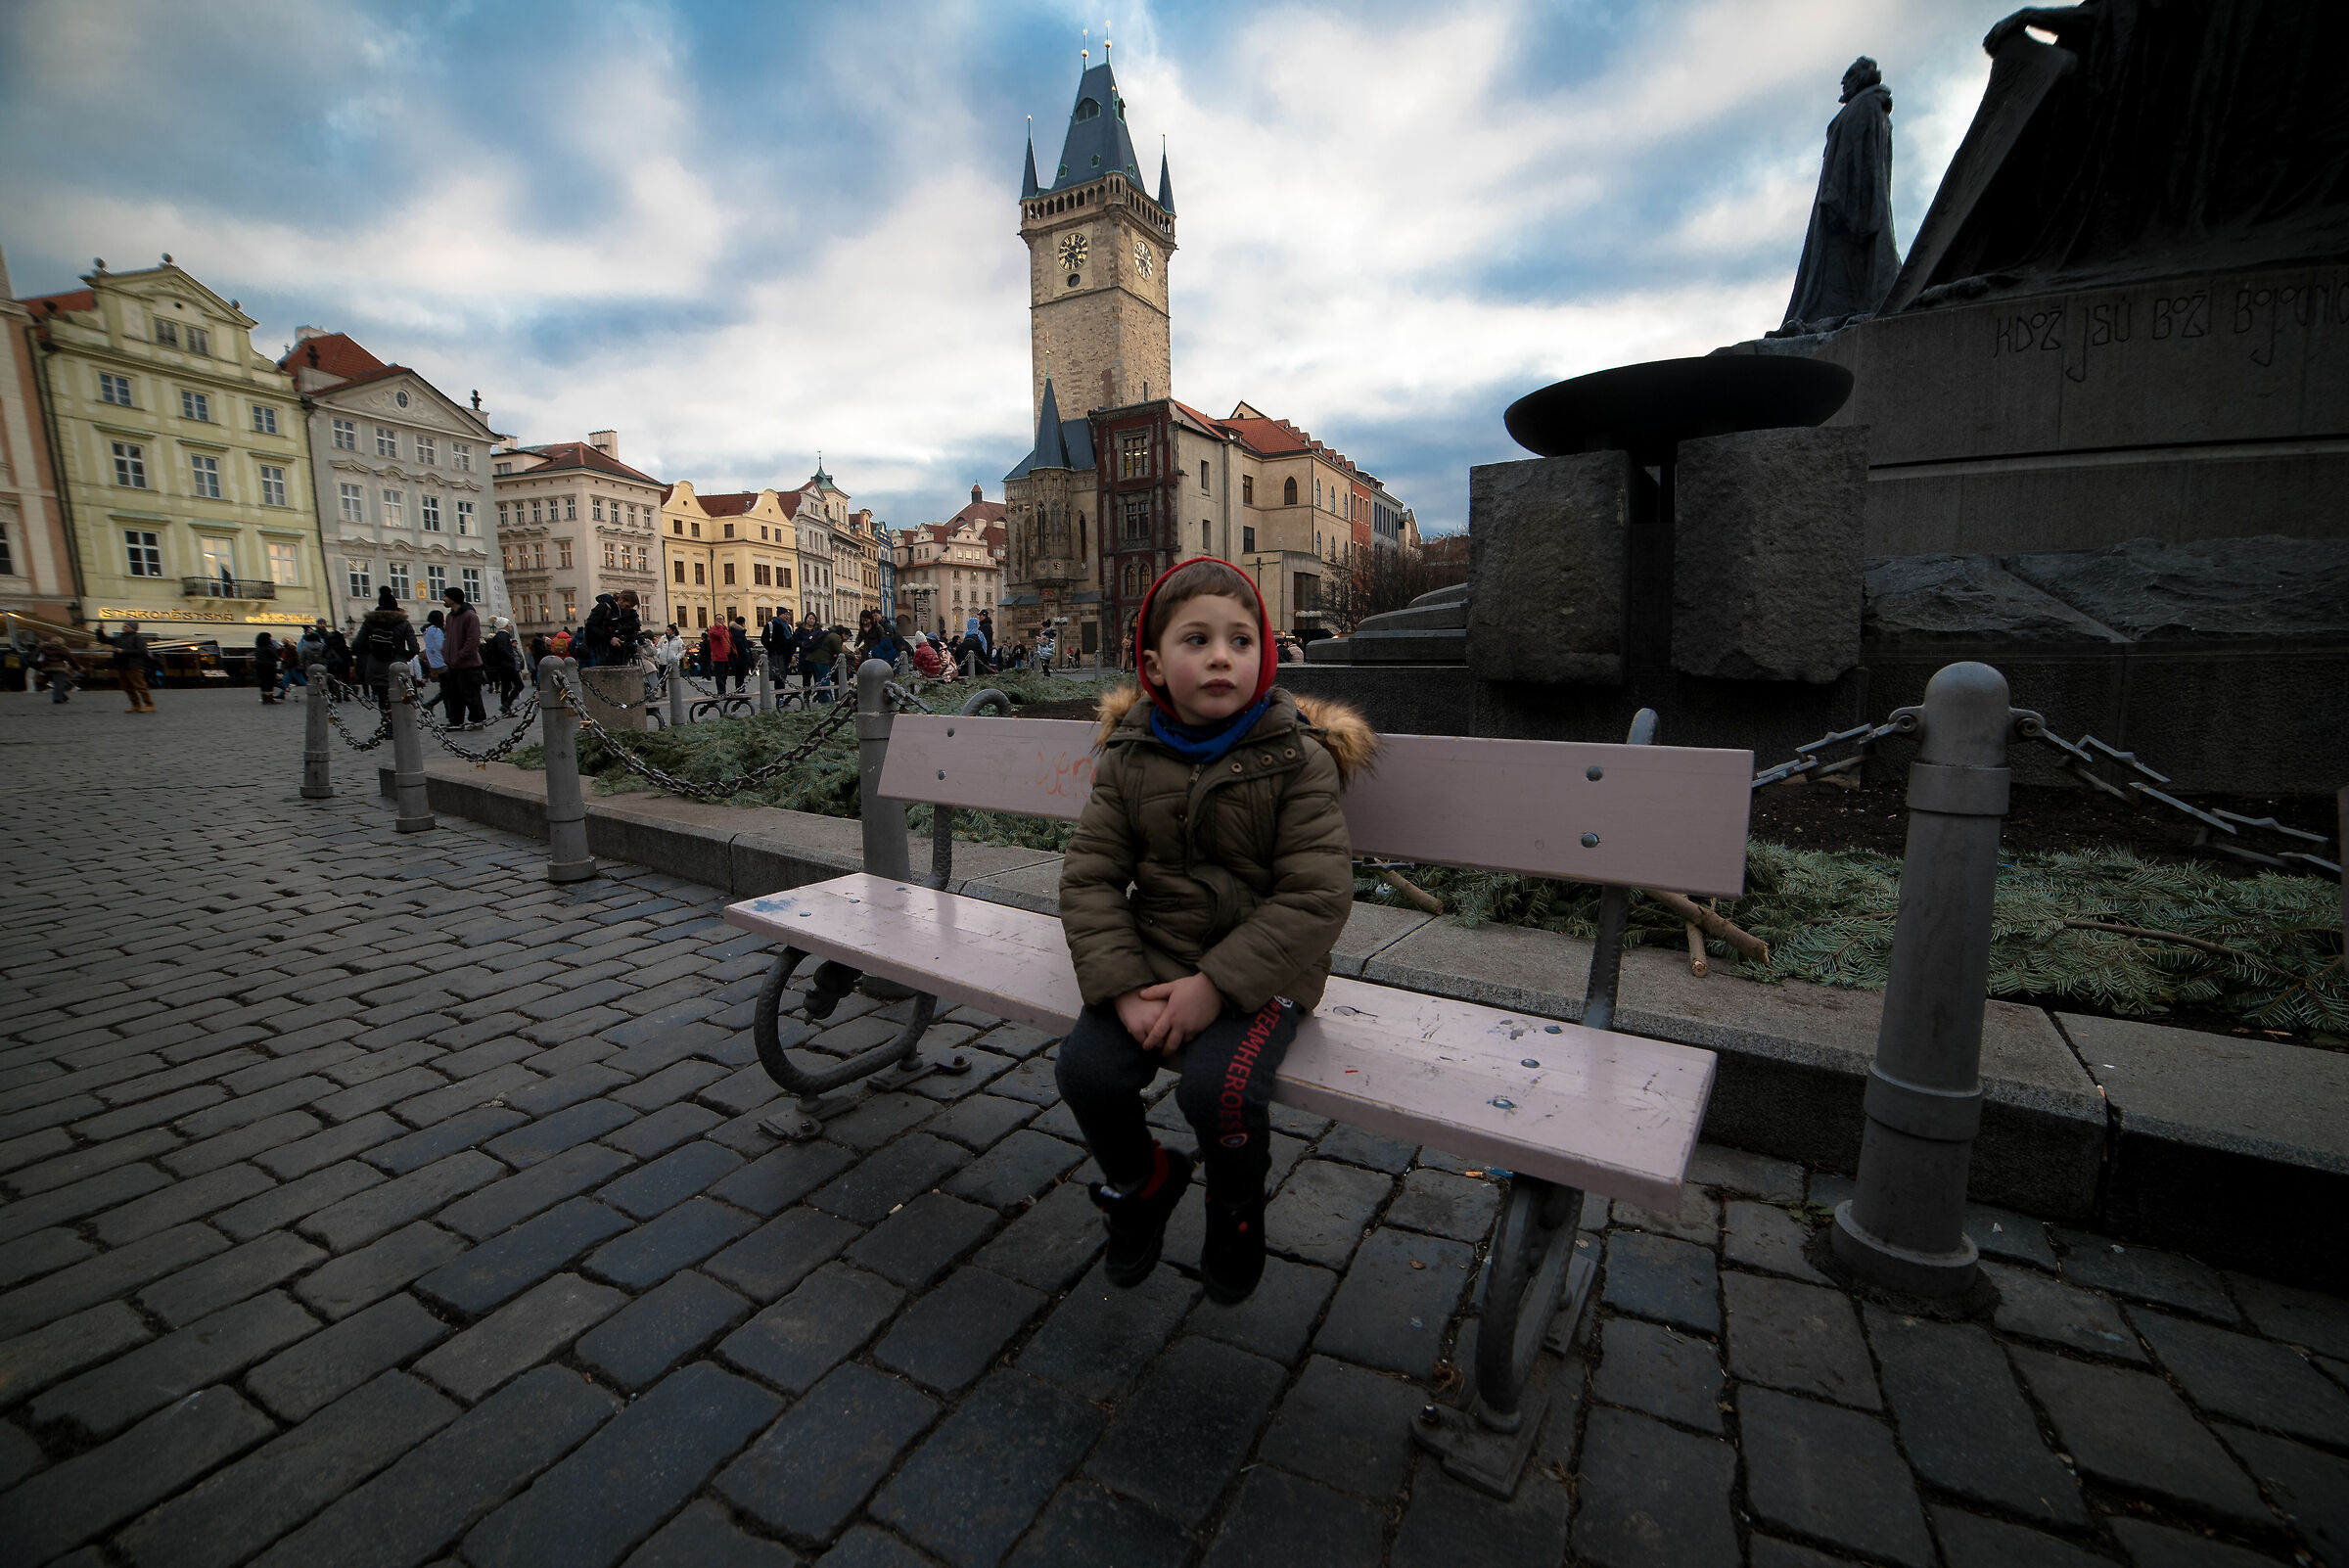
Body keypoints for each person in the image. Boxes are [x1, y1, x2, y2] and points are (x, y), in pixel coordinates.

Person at [1053, 558, 1375, 1304]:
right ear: (1157, 665)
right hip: (1156, 954)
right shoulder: (1131, 754)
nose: (1221, 655)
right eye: (1196, 639)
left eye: (1240, 640)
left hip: (1268, 972)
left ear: (1264, 658)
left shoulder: (1296, 757)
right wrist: (1124, 987)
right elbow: (1091, 876)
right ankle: (1144, 1182)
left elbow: (1317, 894)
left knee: (1219, 1089)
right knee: (1087, 1072)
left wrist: (1216, 986)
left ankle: (1235, 1209)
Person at [350, 587, 419, 704]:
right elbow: (414, 648)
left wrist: (372, 651)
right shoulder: (403, 623)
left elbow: (356, 646)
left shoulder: (370, 622)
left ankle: (386, 720)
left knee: (383, 700)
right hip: (398, 667)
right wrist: (403, 656)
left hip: (376, 668)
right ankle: (399, 721)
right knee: (402, 702)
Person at [440, 586, 487, 728]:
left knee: (471, 693)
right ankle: (456, 721)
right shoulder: (450, 616)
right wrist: (446, 654)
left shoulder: (470, 616)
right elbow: (448, 638)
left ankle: (477, 719)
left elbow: (473, 639)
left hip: (469, 664)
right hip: (453, 663)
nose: (443, 598)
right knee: (454, 694)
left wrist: (460, 655)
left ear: (454, 598)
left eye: (446, 596)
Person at [95, 621, 157, 713]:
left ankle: (149, 705)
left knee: (140, 686)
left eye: (126, 626)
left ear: (133, 628)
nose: (123, 627)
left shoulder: (138, 638)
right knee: (127, 687)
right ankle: (136, 705)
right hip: (121, 665)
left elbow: (142, 651)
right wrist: (100, 630)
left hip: (134, 666)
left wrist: (123, 651)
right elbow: (103, 640)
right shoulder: (119, 637)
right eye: (124, 626)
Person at [485, 617, 524, 715]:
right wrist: (510, 657)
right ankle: (506, 705)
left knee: (506, 687)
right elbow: (502, 649)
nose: (510, 625)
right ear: (506, 625)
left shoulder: (499, 635)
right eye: (509, 624)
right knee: (519, 685)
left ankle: (506, 709)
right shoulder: (503, 635)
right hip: (507, 665)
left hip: (502, 666)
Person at [417, 609, 447, 714]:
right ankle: (431, 703)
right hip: (443, 662)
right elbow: (441, 646)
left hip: (435, 663)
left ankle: (444, 709)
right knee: (447, 688)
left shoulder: (427, 631)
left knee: (445, 687)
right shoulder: (436, 631)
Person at [579, 593, 617, 669]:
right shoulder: (603, 607)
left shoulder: (603, 606)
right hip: (596, 647)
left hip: (593, 646)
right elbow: (590, 627)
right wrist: (608, 637)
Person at [707, 616, 736, 693]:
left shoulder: (726, 629)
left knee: (725, 674)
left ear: (724, 620)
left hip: (727, 655)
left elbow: (731, 640)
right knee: (719, 675)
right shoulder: (712, 630)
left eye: (721, 619)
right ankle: (721, 691)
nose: (719, 620)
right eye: (717, 619)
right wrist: (720, 627)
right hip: (718, 656)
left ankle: (724, 690)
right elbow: (718, 635)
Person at [252, 632, 282, 704]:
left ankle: (264, 698)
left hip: (259, 666)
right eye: (270, 637)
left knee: (263, 683)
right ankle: (270, 699)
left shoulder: (258, 647)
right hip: (269, 666)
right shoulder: (269, 647)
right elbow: (275, 656)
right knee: (269, 683)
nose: (271, 639)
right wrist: (279, 649)